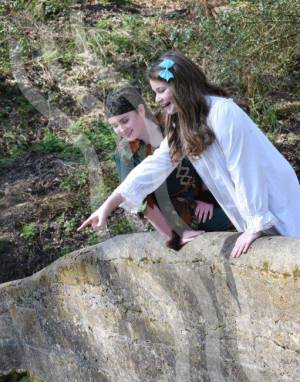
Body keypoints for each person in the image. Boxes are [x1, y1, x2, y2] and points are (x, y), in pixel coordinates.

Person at [78, 51, 300, 258]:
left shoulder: (223, 112)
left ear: (182, 86)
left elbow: (244, 168)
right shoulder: (183, 124)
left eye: (161, 91)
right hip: (248, 208)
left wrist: (256, 224)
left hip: (274, 198)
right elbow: (155, 165)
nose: (156, 100)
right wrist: (109, 204)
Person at [85, 85, 231, 250]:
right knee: (230, 221)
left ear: (140, 110)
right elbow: (142, 202)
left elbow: (201, 156)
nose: (121, 129)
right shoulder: (125, 154)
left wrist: (207, 199)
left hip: (209, 192)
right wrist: (174, 236)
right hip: (179, 213)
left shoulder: (169, 122)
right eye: (114, 125)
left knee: (243, 207)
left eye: (125, 120)